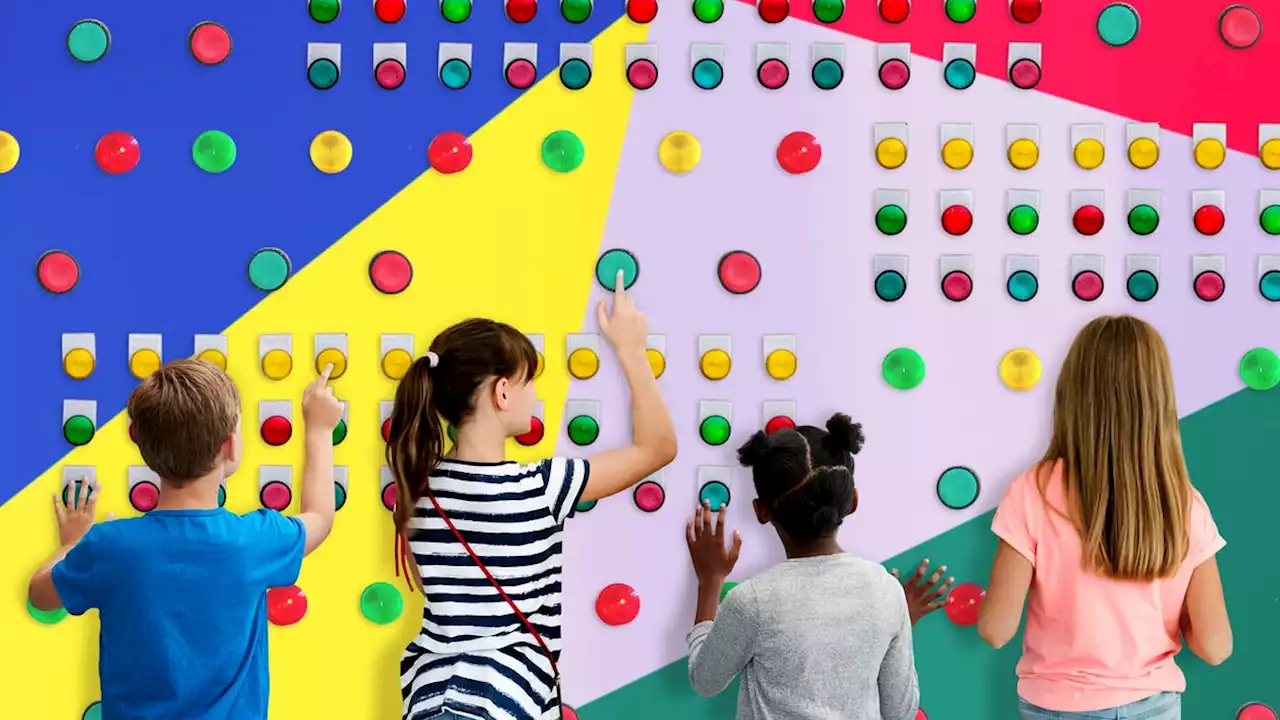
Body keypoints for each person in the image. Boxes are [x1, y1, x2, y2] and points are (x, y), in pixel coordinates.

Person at [390, 271, 678, 720]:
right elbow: (658, 448)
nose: (536, 395)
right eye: (530, 381)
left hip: (431, 691)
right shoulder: (540, 487)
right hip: (508, 696)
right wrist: (631, 350)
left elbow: (433, 586)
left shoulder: (415, 489)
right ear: (502, 392)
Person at [27, 358, 343, 719]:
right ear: (230, 447)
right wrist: (318, 429)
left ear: (145, 449)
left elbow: (40, 594)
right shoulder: (253, 542)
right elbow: (320, 517)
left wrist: (72, 543)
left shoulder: (111, 546)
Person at [978, 315, 1232, 720]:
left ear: (1073, 392)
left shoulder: (1033, 491)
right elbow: (1216, 646)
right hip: (1156, 706)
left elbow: (995, 630)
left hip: (1055, 707)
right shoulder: (1183, 505)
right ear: (1159, 401)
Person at [684, 414, 952, 720]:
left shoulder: (752, 601)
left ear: (761, 511)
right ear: (852, 500)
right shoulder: (887, 592)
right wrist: (896, 619)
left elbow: (705, 681)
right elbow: (899, 712)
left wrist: (710, 580)